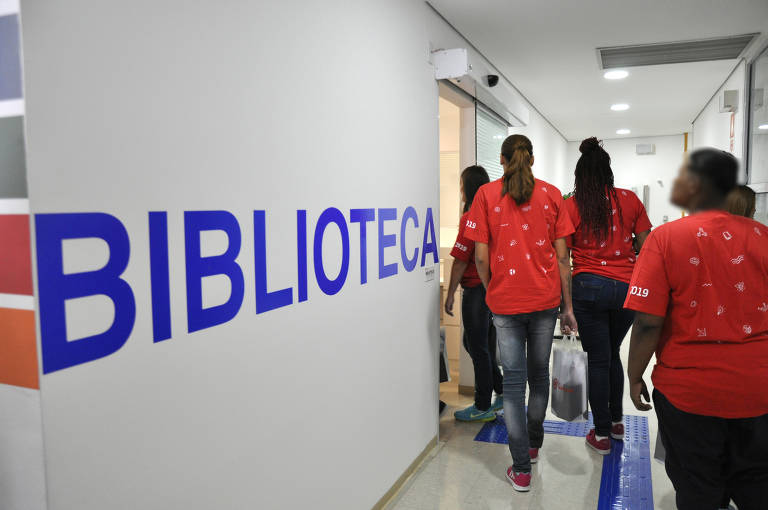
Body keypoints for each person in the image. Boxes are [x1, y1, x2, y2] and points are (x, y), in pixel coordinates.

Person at [625, 148, 768, 510]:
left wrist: (634, 374)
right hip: (760, 391)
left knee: (696, 487)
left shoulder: (666, 239)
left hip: (689, 395)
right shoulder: (764, 237)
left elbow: (647, 322)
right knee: (757, 486)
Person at [465, 134, 577, 492]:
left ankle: (521, 469)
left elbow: (480, 257)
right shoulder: (552, 194)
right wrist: (568, 306)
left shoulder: (484, 196)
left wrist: (491, 288)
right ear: (532, 158)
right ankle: (532, 444)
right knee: (538, 376)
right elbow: (563, 257)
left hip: (505, 302)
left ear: (501, 159)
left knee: (512, 385)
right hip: (545, 301)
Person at [564, 137, 652, 455]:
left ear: (581, 174)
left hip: (588, 287)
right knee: (612, 353)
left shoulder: (573, 205)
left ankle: (601, 433)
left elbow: (562, 254)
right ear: (607, 171)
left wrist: (566, 305)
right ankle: (616, 422)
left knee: (599, 360)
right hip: (626, 289)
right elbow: (648, 246)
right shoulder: (629, 200)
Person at [444, 165, 503, 422]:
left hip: (476, 290)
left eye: (461, 184)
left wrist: (449, 294)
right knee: (481, 345)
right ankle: (501, 392)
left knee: (477, 348)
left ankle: (482, 405)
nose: (459, 189)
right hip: (491, 288)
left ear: (467, 188)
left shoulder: (471, 217)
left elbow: (460, 260)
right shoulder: (493, 212)